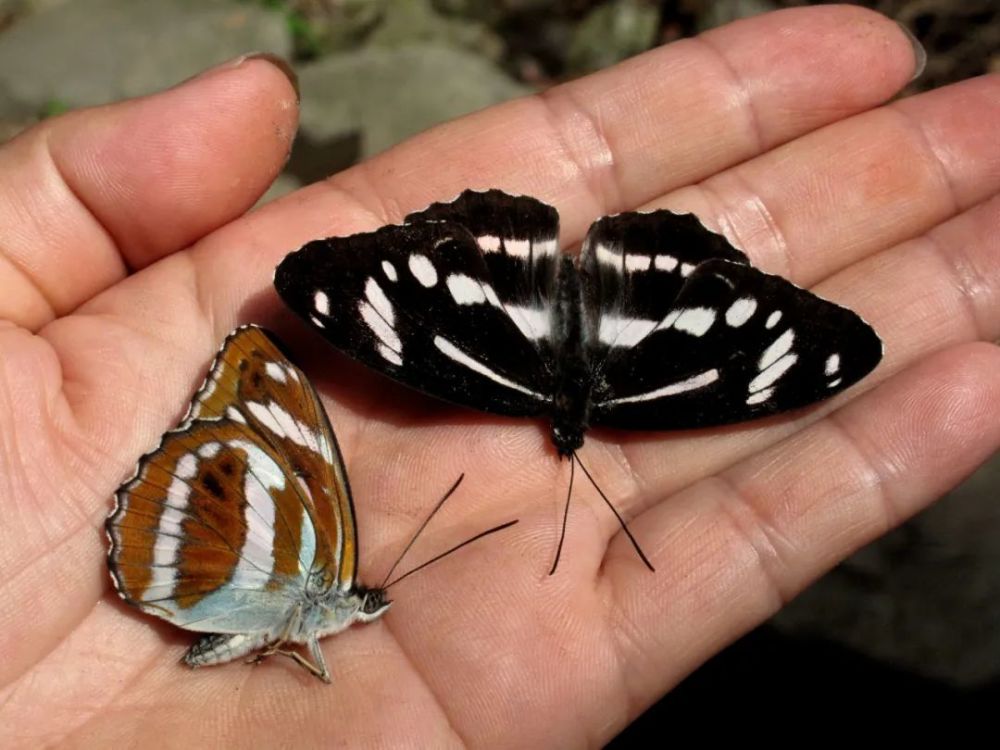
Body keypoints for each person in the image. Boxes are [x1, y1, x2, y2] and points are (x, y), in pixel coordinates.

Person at [1, 5, 998, 746]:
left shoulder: (487, 386)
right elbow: (333, 292)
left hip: (507, 326)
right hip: (604, 325)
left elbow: (789, 341)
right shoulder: (619, 411)